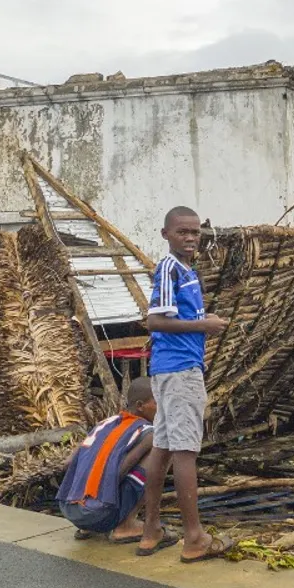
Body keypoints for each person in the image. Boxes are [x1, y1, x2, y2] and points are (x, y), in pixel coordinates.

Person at [138, 206, 234, 562]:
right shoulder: (169, 269)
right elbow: (155, 321)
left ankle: (151, 529)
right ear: (166, 235)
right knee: (185, 451)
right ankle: (194, 537)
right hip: (179, 371)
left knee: (162, 447)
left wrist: (201, 318)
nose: (191, 238)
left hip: (174, 369)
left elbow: (177, 316)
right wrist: (203, 327)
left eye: (195, 232)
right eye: (182, 232)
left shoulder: (187, 271)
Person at [56, 376, 157, 543]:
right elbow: (118, 473)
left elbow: (68, 462)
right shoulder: (148, 432)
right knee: (161, 451)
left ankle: (86, 526)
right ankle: (126, 526)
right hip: (98, 514)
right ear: (140, 406)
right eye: (158, 401)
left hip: (69, 510)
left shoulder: (105, 423)